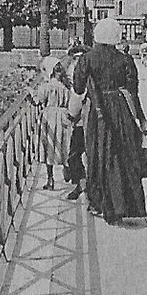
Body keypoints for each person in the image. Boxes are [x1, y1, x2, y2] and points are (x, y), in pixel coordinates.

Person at [69, 17, 147, 224]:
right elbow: (133, 92)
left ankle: (98, 203)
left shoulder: (87, 59)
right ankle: (125, 205)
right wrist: (141, 119)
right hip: (121, 110)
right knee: (123, 156)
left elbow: (77, 87)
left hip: (98, 110)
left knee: (97, 154)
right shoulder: (125, 60)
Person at [26, 55, 71, 190]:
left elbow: (37, 101)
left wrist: (29, 92)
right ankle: (67, 170)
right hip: (63, 116)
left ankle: (50, 180)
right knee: (63, 144)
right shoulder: (65, 87)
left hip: (49, 118)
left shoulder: (47, 87)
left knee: (48, 147)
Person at [60, 40, 89, 196]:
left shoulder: (81, 75)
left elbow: (77, 97)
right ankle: (83, 184)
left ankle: (82, 184)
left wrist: (71, 115)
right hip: (91, 121)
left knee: (74, 155)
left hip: (82, 122)